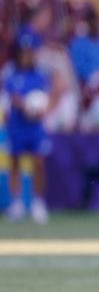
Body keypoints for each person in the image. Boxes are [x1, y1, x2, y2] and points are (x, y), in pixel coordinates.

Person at [2, 31, 51, 224]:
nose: (27, 55)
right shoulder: (11, 73)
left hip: (34, 127)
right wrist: (21, 106)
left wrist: (37, 109)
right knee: (15, 162)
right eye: (24, 51)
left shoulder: (39, 75)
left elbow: (43, 99)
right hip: (17, 125)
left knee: (38, 163)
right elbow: (9, 99)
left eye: (30, 51)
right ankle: (17, 203)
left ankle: (38, 202)